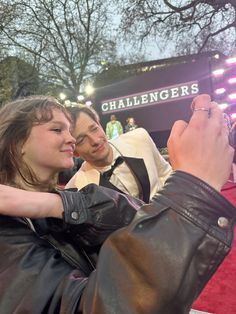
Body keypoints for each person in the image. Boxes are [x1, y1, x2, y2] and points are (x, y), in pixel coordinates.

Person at [0, 94, 235, 314]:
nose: (71, 138)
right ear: (17, 143)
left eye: (91, 129)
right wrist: (193, 187)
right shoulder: (70, 188)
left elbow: (137, 221)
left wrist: (57, 203)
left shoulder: (66, 198)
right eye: (57, 129)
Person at [65, 105, 172, 202]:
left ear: (100, 125)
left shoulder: (140, 137)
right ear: (74, 152)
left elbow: (166, 174)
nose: (95, 141)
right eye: (82, 140)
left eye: (94, 129)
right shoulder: (76, 190)